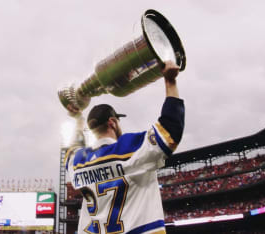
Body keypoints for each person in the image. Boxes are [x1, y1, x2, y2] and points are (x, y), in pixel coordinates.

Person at [64, 61, 185, 234]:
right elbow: (170, 131)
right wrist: (170, 81)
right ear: (112, 123)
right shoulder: (129, 146)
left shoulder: (78, 162)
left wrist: (77, 119)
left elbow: (70, 150)